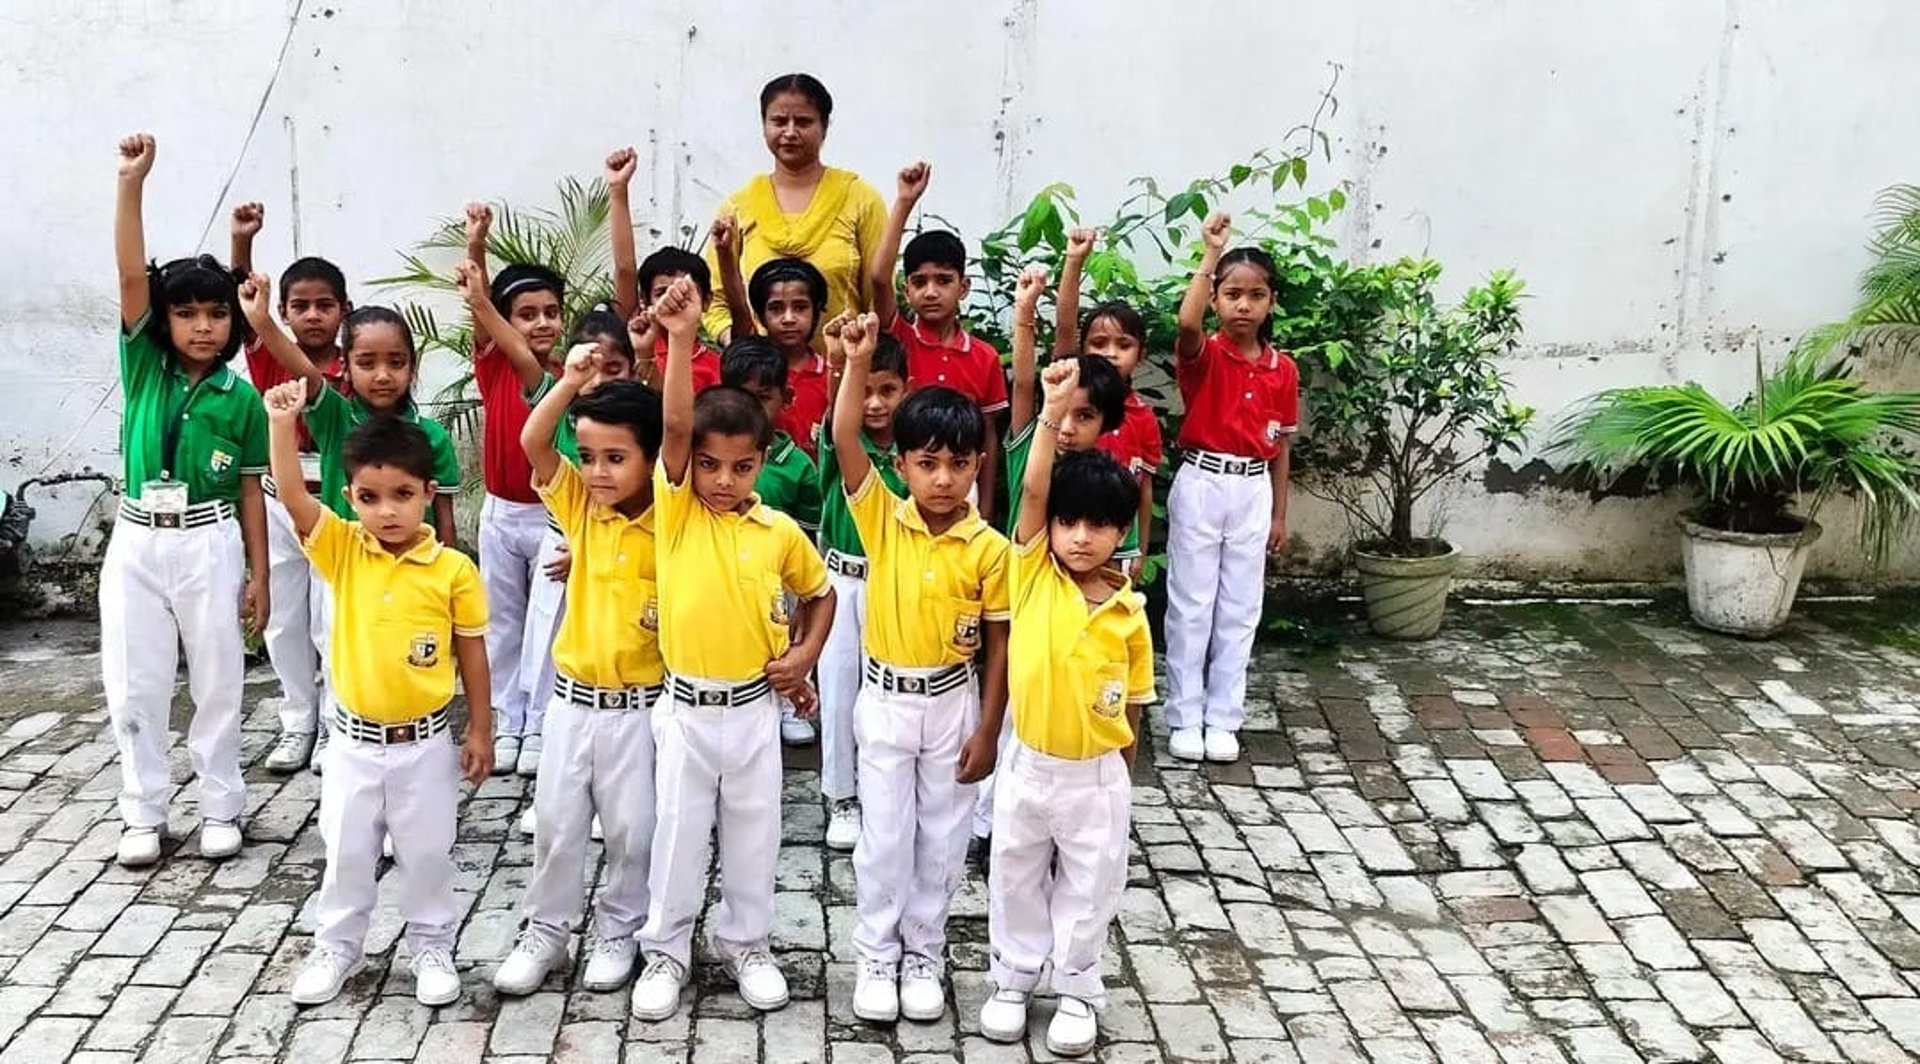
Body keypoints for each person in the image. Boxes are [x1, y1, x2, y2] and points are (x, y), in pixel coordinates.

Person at [630, 277, 835, 1021]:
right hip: (686, 710)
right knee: (678, 837)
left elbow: (822, 595)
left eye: (741, 466)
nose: (722, 480)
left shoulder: (777, 531)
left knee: (754, 835)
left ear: (762, 459)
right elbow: (674, 424)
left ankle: (747, 943)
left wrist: (804, 656)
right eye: (710, 464)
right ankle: (665, 950)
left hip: (753, 712)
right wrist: (682, 337)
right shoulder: (677, 511)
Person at [260, 381, 492, 1008]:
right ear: (349, 498)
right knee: (347, 851)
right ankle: (337, 946)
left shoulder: (453, 570)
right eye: (369, 498)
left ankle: (432, 946)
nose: (387, 512)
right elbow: (292, 497)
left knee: (428, 852)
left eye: (402, 496)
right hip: (353, 745)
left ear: (428, 494)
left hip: (425, 744)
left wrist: (480, 728)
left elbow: (472, 652)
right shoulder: (343, 550)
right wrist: (282, 424)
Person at [831, 313, 1009, 1025]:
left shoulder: (989, 549)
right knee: (884, 836)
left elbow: (998, 642)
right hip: (885, 700)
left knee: (943, 836)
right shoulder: (880, 517)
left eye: (958, 465)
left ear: (976, 467)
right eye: (927, 464)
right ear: (900, 465)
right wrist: (855, 361)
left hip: (952, 702)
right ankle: (876, 953)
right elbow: (845, 436)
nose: (942, 479)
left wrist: (989, 728)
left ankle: (924, 953)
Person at [979, 360, 1155, 1058]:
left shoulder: (1129, 614)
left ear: (1122, 533)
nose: (1081, 537)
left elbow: (1134, 705)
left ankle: (1077, 987)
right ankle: (1014, 978)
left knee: (1090, 885)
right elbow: (1031, 488)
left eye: (1099, 526)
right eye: (1069, 522)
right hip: (1028, 763)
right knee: (1014, 872)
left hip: (1095, 776)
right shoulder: (1030, 574)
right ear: (1049, 526)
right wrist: (1051, 413)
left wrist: (1122, 775)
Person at [104, 133, 268, 869]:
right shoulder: (144, 367)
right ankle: (143, 812)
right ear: (166, 321)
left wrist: (259, 573)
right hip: (139, 539)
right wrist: (131, 182)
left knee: (218, 678)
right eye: (187, 313)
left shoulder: (242, 399)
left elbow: (251, 489)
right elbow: (129, 274)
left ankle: (221, 806)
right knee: (134, 682)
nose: (203, 326)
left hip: (210, 539)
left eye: (216, 314)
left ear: (233, 323)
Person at [492, 344, 665, 998]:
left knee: (631, 831)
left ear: (651, 459)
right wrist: (568, 382)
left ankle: (621, 930)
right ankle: (546, 932)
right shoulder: (580, 510)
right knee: (558, 824)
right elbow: (534, 440)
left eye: (615, 458)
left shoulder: (674, 523)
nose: (596, 471)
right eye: (588, 456)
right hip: (570, 703)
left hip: (641, 708)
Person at [967, 267, 1128, 872]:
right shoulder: (1026, 445)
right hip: (1017, 600)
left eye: (1086, 417)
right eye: (1065, 414)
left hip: (1073, 624)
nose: (1069, 427)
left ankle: (1069, 820)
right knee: (1007, 704)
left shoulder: (1103, 483)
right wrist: (1025, 313)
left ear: (1106, 425)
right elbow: (1031, 379)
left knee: (1056, 710)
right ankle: (990, 819)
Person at [1163, 213, 1297, 765]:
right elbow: (1186, 323)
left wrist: (1279, 514)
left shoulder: (1282, 370)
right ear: (1217, 298)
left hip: (1252, 488)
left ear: (1271, 302)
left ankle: (1223, 717)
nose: (1244, 305)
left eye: (1256, 295)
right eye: (1232, 294)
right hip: (1202, 481)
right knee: (1192, 604)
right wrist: (1210, 254)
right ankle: (1184, 715)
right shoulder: (1205, 355)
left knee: (1240, 607)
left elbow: (1281, 446)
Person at [229, 201, 353, 774]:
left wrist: (268, 327)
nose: (312, 315)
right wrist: (242, 241)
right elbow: (243, 300)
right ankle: (298, 718)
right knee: (283, 618)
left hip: (331, 503)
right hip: (279, 501)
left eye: (324, 305)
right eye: (299, 306)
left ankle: (333, 722)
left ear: (343, 310)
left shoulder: (354, 366)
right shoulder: (265, 357)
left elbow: (304, 371)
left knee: (331, 618)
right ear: (281, 310)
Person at [463, 202, 567, 778]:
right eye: (526, 315)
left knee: (546, 623)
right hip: (502, 514)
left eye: (551, 312)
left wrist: (483, 299)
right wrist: (476, 243)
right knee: (502, 620)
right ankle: (507, 718)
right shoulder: (496, 366)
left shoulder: (568, 376)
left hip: (552, 517)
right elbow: (482, 312)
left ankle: (541, 722)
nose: (541, 323)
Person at [811, 319, 911, 852]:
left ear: (906, 390)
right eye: (865, 391)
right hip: (841, 581)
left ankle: (881, 787)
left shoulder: (914, 454)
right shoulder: (842, 444)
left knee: (884, 693)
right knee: (839, 689)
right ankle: (841, 794)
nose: (874, 403)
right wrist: (847, 361)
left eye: (887, 390)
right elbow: (841, 419)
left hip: (892, 584)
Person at [701, 73, 887, 344]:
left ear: (824, 127)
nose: (789, 132)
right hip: (761, 369)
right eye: (779, 121)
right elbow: (715, 299)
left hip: (844, 364)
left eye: (803, 122)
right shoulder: (738, 207)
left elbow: (879, 295)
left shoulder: (860, 199)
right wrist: (742, 346)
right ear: (764, 126)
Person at [871, 162, 1007, 516]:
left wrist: (986, 508)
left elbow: (988, 436)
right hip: (902, 484)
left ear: (963, 287)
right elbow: (879, 279)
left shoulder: (985, 357)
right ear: (907, 290)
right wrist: (904, 202)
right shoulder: (898, 338)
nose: (931, 292)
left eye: (943, 280)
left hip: (960, 491)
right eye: (919, 282)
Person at [722, 335, 823, 747]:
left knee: (783, 635)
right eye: (741, 396)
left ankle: (789, 702)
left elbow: (810, 539)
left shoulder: (797, 465)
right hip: (723, 568)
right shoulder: (706, 457)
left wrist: (804, 600)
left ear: (786, 398)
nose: (750, 408)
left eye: (763, 397)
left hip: (780, 576)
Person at [1054, 226, 1164, 583]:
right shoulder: (1071, 392)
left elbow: (1143, 489)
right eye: (1099, 343)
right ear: (1083, 348)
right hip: (1070, 536)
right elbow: (1065, 326)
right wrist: (1074, 261)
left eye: (1123, 344)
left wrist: (1140, 549)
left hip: (1118, 541)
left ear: (1141, 353)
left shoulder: (1144, 418)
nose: (1111, 353)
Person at [608, 146, 724, 394]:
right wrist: (618, 190)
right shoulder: (633, 344)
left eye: (684, 292)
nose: (673, 300)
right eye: (661, 292)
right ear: (644, 301)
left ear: (706, 301)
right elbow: (625, 269)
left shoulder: (719, 367)